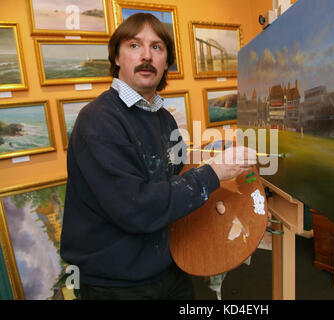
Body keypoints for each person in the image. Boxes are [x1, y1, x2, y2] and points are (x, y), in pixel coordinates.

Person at [60, 13, 256, 300]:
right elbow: (136, 208)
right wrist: (214, 172)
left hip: (169, 267)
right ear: (116, 57)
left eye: (156, 48)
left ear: (166, 62)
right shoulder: (98, 121)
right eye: (134, 45)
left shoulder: (165, 119)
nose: (146, 56)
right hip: (115, 284)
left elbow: (175, 181)